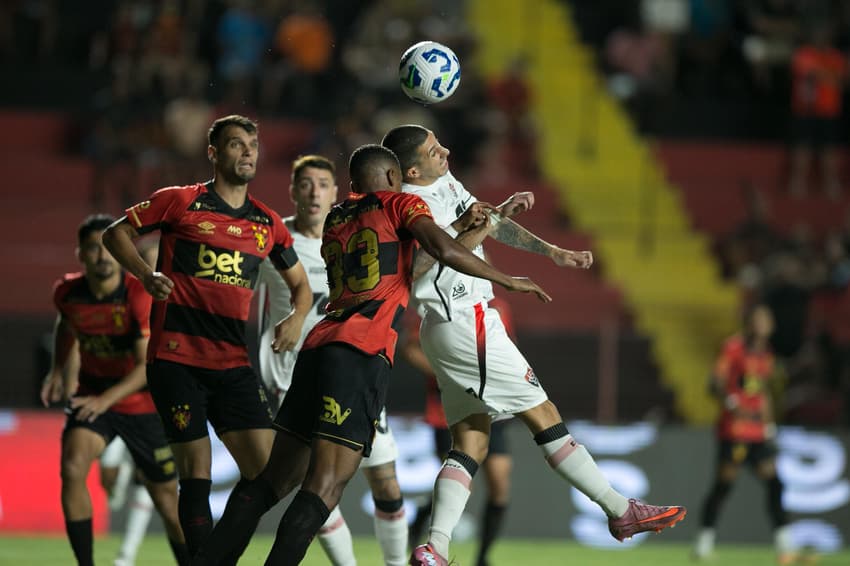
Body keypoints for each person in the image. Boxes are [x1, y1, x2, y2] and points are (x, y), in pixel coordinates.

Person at [189, 143, 549, 566]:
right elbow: (444, 252)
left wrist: (476, 224)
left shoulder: (338, 219)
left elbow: (415, 267)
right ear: (395, 179)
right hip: (359, 354)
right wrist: (508, 279)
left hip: (318, 347)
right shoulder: (402, 204)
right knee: (323, 487)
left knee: (271, 480)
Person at [380, 124, 687, 566]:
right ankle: (621, 510)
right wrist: (470, 232)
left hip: (453, 326)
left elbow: (485, 227)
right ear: (412, 168)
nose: (445, 150)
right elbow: (423, 267)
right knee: (543, 414)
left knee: (471, 441)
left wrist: (552, 252)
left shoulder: (445, 182)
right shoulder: (409, 205)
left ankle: (435, 549)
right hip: (465, 319)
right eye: (433, 150)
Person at [101, 114, 313, 557]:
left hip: (233, 363)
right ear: (214, 153)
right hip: (176, 360)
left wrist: (296, 318)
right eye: (237, 145)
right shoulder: (179, 202)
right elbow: (115, 233)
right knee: (196, 471)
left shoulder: (268, 223)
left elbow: (301, 287)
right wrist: (145, 274)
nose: (248, 153)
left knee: (271, 472)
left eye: (253, 145)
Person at [254, 154, 407, 565]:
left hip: (355, 366)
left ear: (336, 191)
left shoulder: (363, 232)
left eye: (323, 183)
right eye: (305, 184)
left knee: (386, 481)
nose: (314, 192)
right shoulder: (274, 242)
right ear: (292, 191)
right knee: (315, 485)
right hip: (293, 379)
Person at [40, 214, 189, 566]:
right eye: (94, 249)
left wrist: (103, 401)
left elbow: (145, 369)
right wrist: (58, 369)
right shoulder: (67, 292)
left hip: (143, 405)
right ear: (81, 254)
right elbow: (66, 326)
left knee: (168, 501)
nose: (103, 257)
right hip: (94, 396)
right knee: (73, 468)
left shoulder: (137, 295)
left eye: (108, 249)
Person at [401, 297, 515, 566]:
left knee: (500, 485)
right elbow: (409, 348)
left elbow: (506, 349)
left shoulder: (499, 307)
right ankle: (424, 521)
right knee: (465, 484)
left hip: (491, 406)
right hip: (446, 410)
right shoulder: (435, 302)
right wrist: (447, 371)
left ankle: (483, 557)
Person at [693, 304, 798, 564]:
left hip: (757, 432)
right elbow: (714, 383)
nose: (762, 325)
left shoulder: (766, 354)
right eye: (758, 320)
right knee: (724, 486)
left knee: (776, 484)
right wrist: (731, 403)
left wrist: (769, 425)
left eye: (766, 320)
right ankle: (703, 545)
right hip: (735, 430)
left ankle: (785, 547)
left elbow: (761, 393)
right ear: (749, 323)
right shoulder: (733, 348)